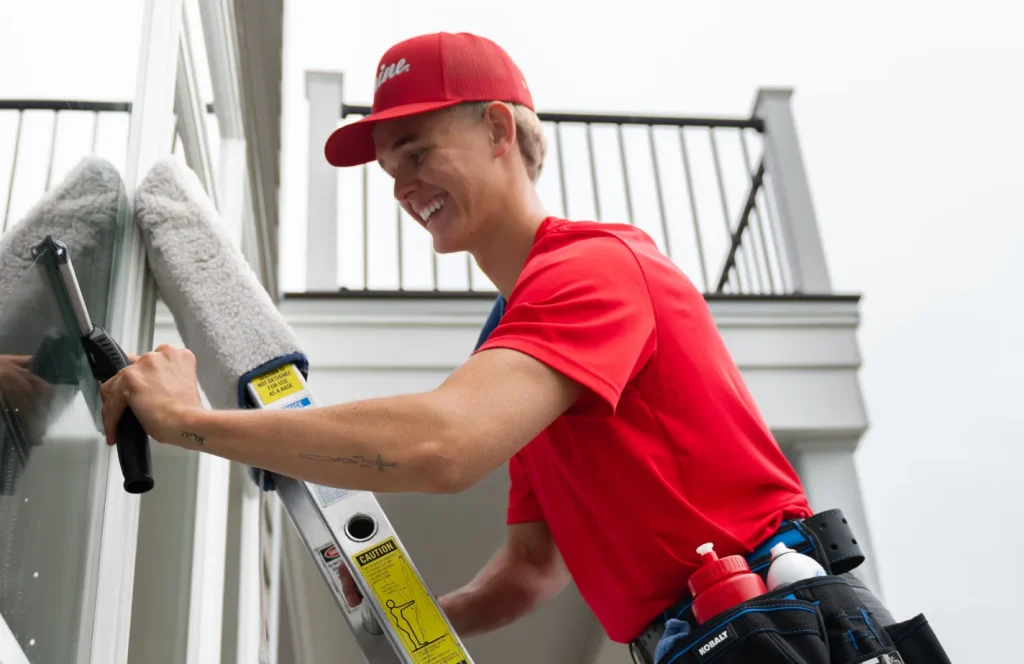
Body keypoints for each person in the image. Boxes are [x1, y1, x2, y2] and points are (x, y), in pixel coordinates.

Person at [99, 32, 900, 663]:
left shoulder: (593, 271)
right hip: (705, 638)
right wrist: (408, 625)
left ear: (496, 128)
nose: (401, 185)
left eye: (416, 151)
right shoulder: (513, 337)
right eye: (388, 168)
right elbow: (531, 567)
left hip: (776, 623)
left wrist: (185, 423)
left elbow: (443, 445)